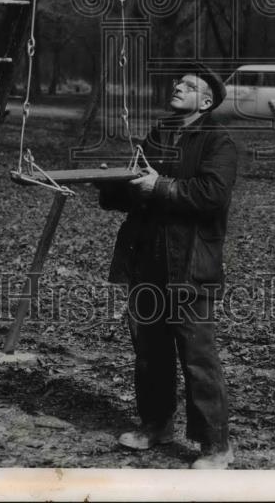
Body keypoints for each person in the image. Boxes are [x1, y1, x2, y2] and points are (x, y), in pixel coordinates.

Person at [97, 64, 239, 469]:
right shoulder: (160, 134)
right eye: (178, 82)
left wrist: (159, 186)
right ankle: (156, 424)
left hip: (192, 264)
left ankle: (216, 446)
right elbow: (137, 187)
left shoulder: (219, 142)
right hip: (147, 259)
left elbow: (211, 194)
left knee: (197, 356)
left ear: (206, 101)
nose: (178, 87)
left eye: (189, 85)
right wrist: (107, 184)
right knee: (150, 351)